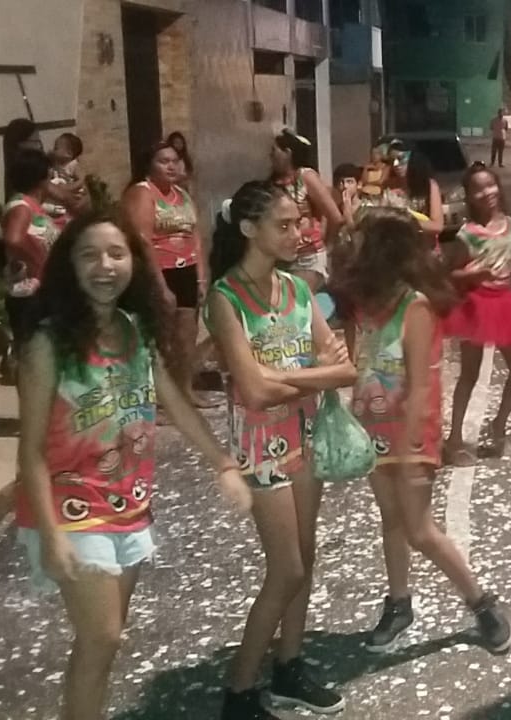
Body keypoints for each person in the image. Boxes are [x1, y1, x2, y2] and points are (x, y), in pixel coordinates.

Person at [14, 212, 250, 720]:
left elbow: (176, 404)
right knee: (102, 636)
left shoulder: (135, 330)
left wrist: (222, 462)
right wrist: (51, 536)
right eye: (89, 255)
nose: (105, 266)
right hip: (70, 507)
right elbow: (29, 450)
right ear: (68, 266)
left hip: (128, 502)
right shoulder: (48, 343)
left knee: (103, 643)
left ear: (134, 263)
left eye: (116, 254)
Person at [207, 181, 358, 719]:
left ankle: (289, 666)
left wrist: (283, 376)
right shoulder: (225, 298)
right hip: (261, 446)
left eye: (300, 223)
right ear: (250, 229)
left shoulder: (296, 288)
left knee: (306, 557)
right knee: (287, 568)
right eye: (286, 225)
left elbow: (347, 368)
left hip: (307, 435)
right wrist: (313, 373)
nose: (300, 233)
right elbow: (253, 391)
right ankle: (239, 690)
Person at [336, 207, 511, 655]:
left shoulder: (414, 305)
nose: (352, 243)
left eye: (360, 237)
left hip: (411, 432)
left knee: (419, 529)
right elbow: (358, 364)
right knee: (391, 521)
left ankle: (481, 602)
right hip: (372, 428)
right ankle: (399, 604)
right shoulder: (365, 304)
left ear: (382, 247)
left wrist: (413, 444)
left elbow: (419, 383)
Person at [442, 166, 511, 465]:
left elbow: (505, 262)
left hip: (505, 303)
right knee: (469, 374)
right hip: (476, 304)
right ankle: (454, 438)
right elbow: (451, 273)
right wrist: (474, 275)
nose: (486, 193)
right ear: (469, 196)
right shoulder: (468, 234)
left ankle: (499, 423)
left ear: (498, 186)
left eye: (490, 185)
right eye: (478, 189)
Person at [122, 141, 214, 408]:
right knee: (161, 338)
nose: (171, 166)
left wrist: (201, 277)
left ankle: (185, 389)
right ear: (150, 165)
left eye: (174, 161)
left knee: (186, 335)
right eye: (163, 161)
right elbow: (143, 239)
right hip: (158, 269)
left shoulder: (182, 194)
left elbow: (195, 237)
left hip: (186, 269)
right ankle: (158, 398)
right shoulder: (143, 192)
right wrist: (161, 284)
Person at [271, 130, 343, 292]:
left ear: (288, 153)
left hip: (307, 257)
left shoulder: (306, 177)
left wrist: (328, 247)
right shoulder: (274, 182)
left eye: (274, 151)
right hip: (282, 258)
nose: (271, 156)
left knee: (297, 301)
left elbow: (335, 217)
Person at [2, 149, 60, 348]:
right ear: (41, 179)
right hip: (29, 294)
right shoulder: (21, 206)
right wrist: (38, 260)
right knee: (33, 349)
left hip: (43, 291)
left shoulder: (34, 206)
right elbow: (13, 239)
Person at [45, 132, 88, 226]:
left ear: (68, 154)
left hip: (71, 193)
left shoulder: (73, 165)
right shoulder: (55, 165)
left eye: (56, 148)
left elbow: (82, 179)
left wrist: (69, 187)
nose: (53, 150)